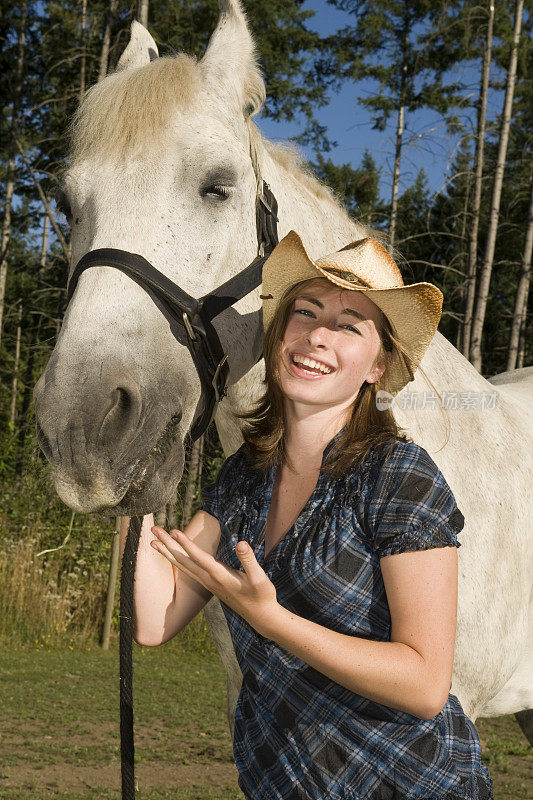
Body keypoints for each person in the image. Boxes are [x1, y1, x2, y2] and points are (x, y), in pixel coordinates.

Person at [129, 230, 494, 800]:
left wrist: (272, 621)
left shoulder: (399, 477)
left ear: (378, 366)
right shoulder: (243, 479)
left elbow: (424, 683)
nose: (317, 336)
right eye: (306, 312)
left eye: (349, 326)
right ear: (279, 337)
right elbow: (156, 620)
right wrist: (133, 484)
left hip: (403, 782)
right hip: (281, 782)